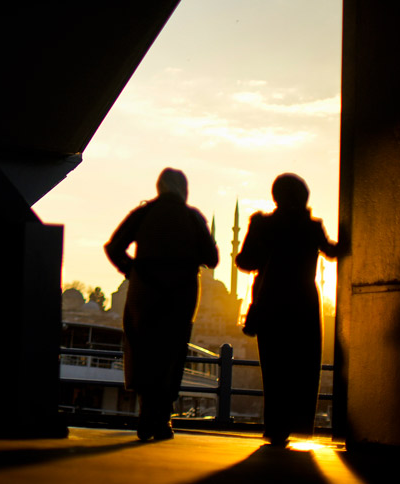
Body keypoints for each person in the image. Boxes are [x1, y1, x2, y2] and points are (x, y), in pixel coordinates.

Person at [104, 168, 219, 441]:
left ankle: (146, 415)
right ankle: (162, 418)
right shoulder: (192, 218)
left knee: (144, 351)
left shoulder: (143, 214)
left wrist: (132, 271)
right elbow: (212, 258)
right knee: (171, 354)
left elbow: (114, 247)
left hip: (145, 294)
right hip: (180, 296)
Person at [236, 173, 338, 446]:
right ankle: (301, 424)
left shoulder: (262, 225)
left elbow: (245, 261)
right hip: (304, 301)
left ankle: (276, 427)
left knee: (274, 366)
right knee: (303, 366)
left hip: (270, 300)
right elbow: (332, 251)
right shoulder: (311, 226)